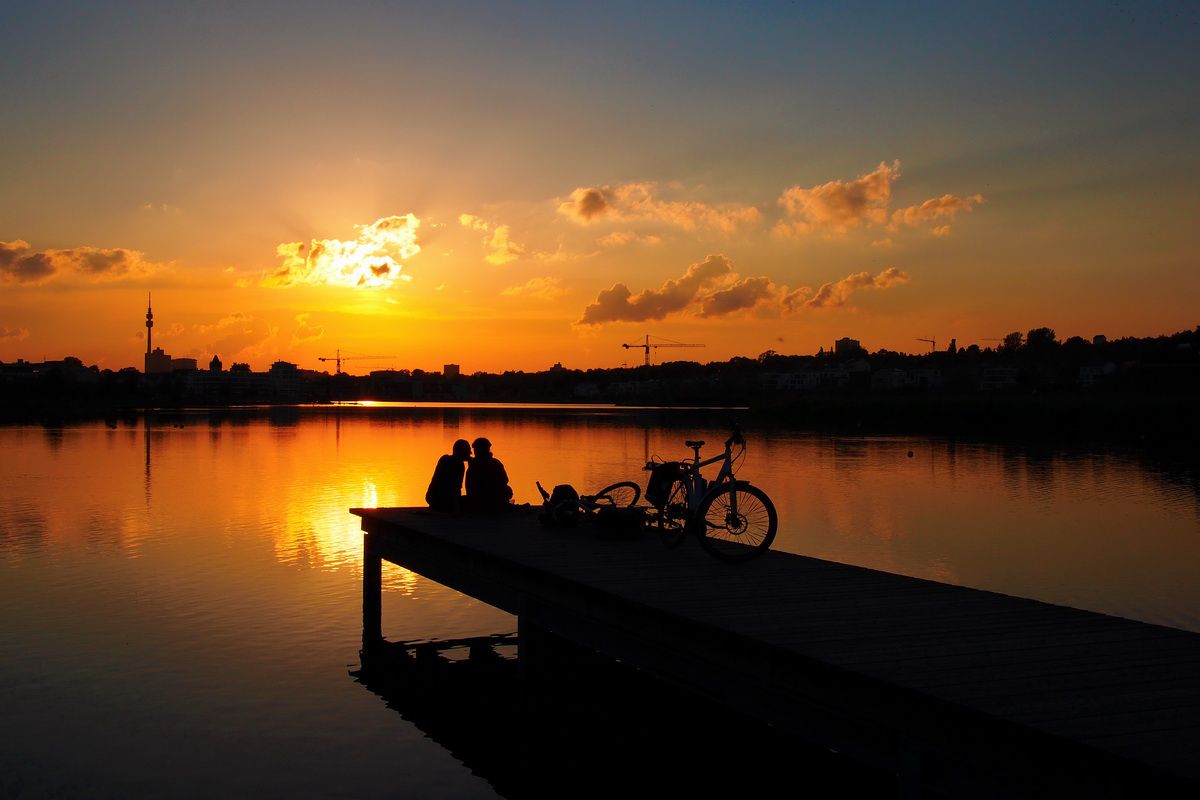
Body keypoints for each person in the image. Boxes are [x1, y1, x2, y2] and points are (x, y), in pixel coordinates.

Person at [464, 437, 513, 513]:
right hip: (490, 500)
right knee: (508, 490)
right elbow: (505, 480)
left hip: (481, 501)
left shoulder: (474, 465)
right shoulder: (495, 463)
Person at [425, 439, 471, 512]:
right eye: (468, 450)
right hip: (444, 501)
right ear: (462, 451)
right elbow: (455, 489)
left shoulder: (444, 459)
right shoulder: (459, 465)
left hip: (431, 498)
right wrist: (456, 508)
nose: (470, 453)